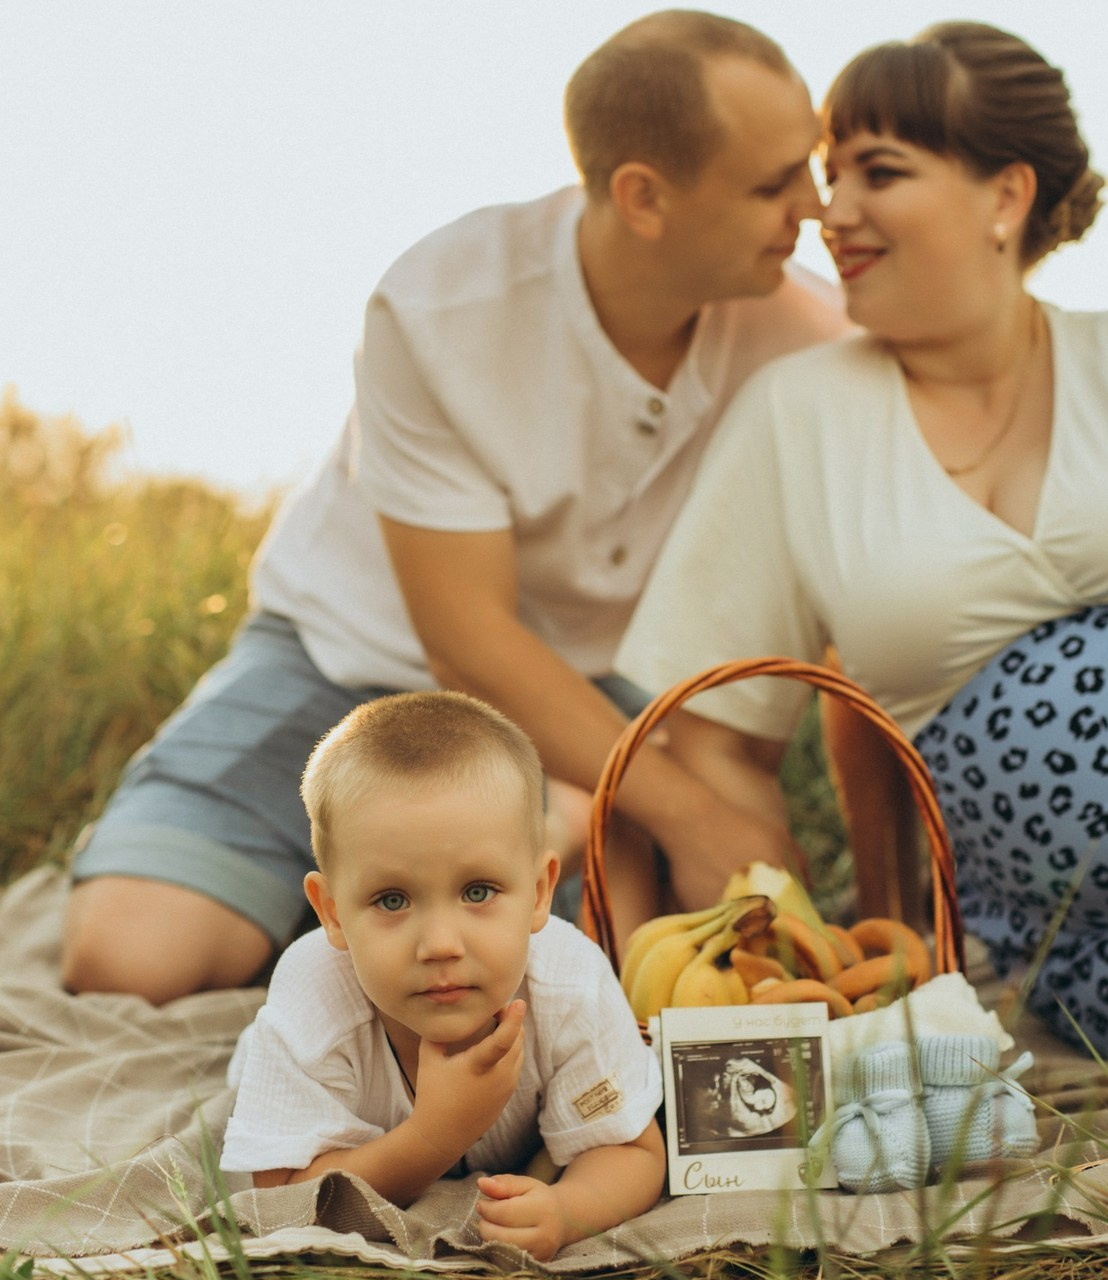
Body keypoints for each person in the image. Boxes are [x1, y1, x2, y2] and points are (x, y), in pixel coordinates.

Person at [61, 9, 850, 1002]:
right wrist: (686, 815)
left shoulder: (808, 337)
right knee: (129, 957)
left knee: (582, 982)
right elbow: (464, 641)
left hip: (593, 697)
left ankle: (457, 861)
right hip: (344, 659)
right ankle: (369, 879)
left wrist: (707, 803)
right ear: (643, 197)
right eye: (774, 183)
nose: (814, 208)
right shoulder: (440, 306)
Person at [616, 21, 1108, 1088]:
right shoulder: (800, 417)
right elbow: (718, 741)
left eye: (878, 172)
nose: (833, 213)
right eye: (829, 179)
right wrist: (779, 953)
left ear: (1003, 195)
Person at [220, 690, 665, 1261]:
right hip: (293, 1090)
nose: (440, 945)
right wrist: (435, 1134)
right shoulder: (315, 1000)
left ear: (539, 893)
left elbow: (632, 1150)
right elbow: (282, 1196)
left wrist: (567, 1209)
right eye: (391, 900)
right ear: (331, 912)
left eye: (478, 891)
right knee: (257, 1068)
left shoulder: (569, 982)